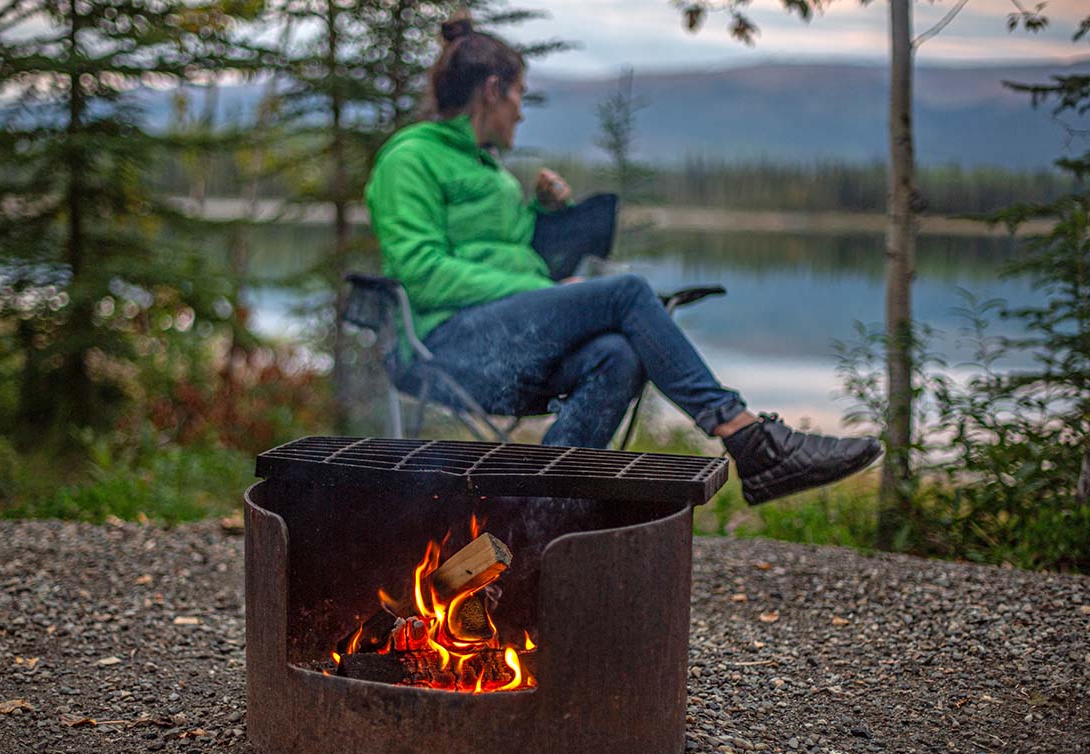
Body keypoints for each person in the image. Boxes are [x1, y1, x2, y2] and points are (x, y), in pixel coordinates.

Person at [363, 14, 881, 505]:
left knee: (619, 354)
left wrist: (543, 213)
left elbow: (517, 255)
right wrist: (544, 294)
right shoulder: (409, 158)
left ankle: (534, 508)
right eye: (518, 93)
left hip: (507, 342)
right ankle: (747, 437)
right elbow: (422, 275)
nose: (521, 109)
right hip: (444, 348)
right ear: (493, 90)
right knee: (628, 292)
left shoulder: (493, 172)